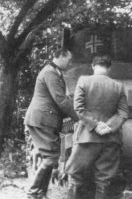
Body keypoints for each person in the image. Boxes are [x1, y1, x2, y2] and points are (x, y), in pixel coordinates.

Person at [66, 55, 129, 199]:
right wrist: (109, 127)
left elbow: (79, 108)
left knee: (75, 175)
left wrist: (95, 125)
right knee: (104, 179)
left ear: (93, 66)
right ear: (109, 68)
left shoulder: (83, 81)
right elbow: (123, 112)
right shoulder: (118, 86)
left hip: (86, 138)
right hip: (111, 139)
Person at [24, 48, 79, 199]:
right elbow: (61, 100)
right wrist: (79, 118)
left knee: (50, 157)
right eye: (68, 59)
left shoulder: (54, 72)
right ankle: (33, 193)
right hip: (42, 119)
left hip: (45, 119)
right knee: (50, 158)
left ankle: (40, 193)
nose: (70, 63)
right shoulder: (50, 72)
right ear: (60, 56)